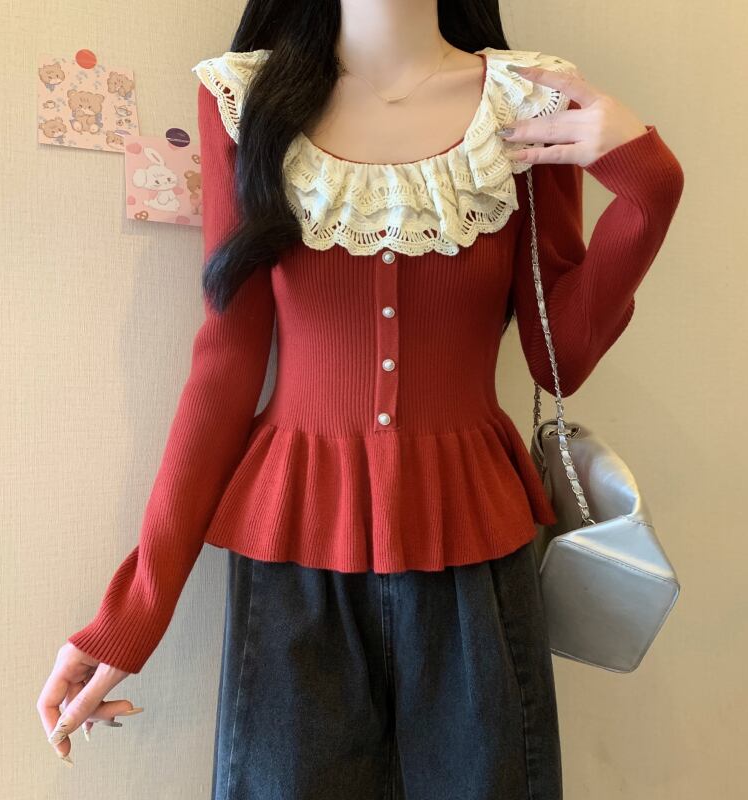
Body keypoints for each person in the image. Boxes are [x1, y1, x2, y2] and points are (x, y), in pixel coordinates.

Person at [37, 0, 684, 797]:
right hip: (291, 555)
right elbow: (226, 365)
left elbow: (561, 359)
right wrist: (132, 615)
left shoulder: (529, 102)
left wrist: (649, 184)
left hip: (476, 555)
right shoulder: (243, 99)